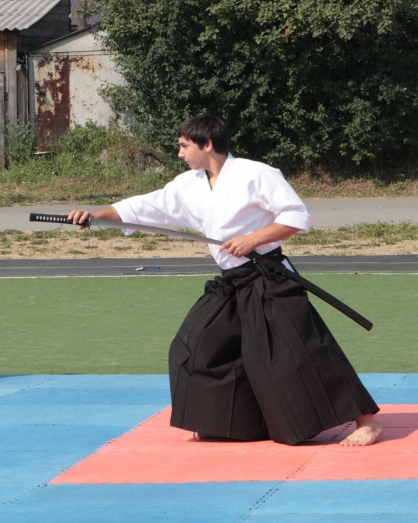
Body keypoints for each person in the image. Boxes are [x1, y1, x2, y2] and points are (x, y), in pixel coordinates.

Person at [67, 114, 382, 446]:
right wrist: (95, 216)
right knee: (196, 345)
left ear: (207, 144)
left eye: (184, 146)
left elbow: (297, 217)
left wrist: (252, 239)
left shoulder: (256, 174)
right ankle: (224, 421)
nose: (179, 153)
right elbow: (142, 208)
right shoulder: (188, 184)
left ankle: (366, 420)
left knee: (299, 351)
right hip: (232, 281)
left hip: (269, 276)